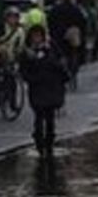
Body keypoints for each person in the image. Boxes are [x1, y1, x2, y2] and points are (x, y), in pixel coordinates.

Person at [20, 25, 67, 154]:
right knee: (39, 116)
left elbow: (60, 63)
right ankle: (39, 142)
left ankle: (50, 141)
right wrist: (32, 78)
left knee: (50, 117)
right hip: (37, 88)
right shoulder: (27, 53)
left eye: (39, 35)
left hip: (51, 86)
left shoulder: (51, 48)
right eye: (34, 36)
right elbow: (23, 71)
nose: (37, 39)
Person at [48, 0, 88, 84]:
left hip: (58, 35)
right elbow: (82, 22)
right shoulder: (75, 9)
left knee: (61, 53)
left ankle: (63, 69)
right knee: (73, 53)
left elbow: (50, 21)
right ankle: (73, 70)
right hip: (72, 35)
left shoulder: (55, 10)